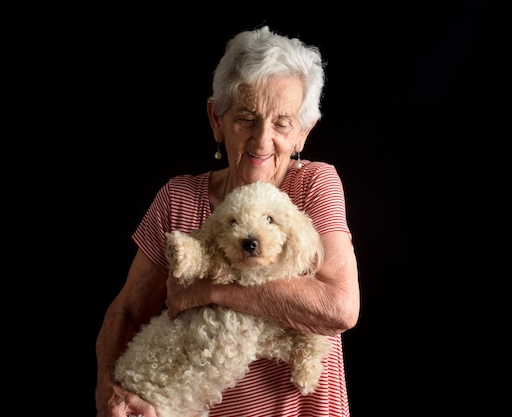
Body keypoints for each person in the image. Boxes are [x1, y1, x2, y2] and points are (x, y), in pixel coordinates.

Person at [95, 25, 360, 417]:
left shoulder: (314, 185)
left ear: (303, 133)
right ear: (216, 119)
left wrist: (212, 289)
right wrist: (110, 393)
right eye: (247, 118)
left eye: (282, 123)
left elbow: (338, 308)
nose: (261, 140)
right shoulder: (179, 198)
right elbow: (127, 312)